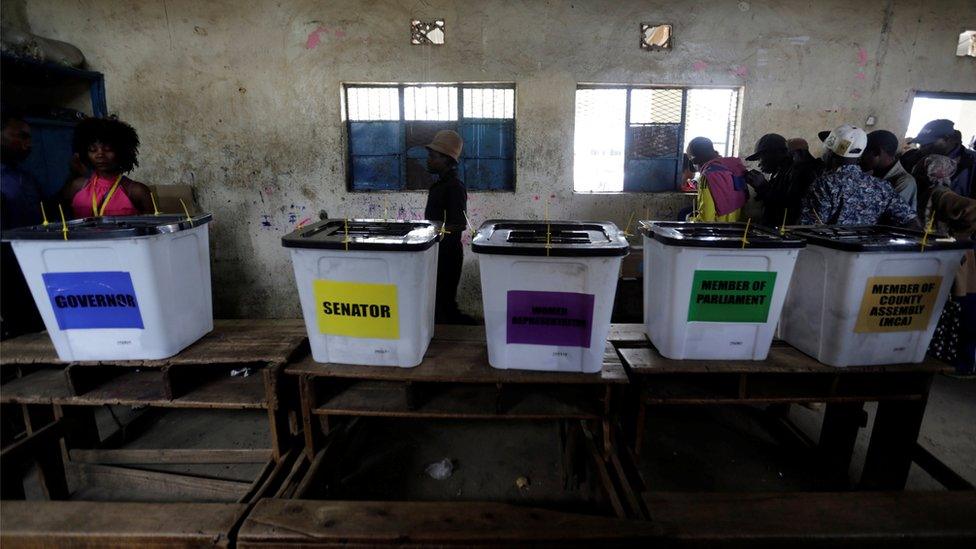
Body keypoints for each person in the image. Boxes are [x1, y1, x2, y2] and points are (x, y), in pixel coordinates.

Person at [799, 124, 918, 227]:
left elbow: (808, 227)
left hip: (827, 252)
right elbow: (912, 221)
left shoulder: (825, 184)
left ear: (830, 153)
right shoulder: (882, 187)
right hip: (865, 252)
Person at [0, 110, 44, 339]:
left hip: (30, 265)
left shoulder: (23, 177)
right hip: (7, 270)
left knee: (35, 327)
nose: (29, 144)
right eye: (21, 136)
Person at [423, 130, 472, 324]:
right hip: (439, 251)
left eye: (432, 156)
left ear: (445, 159)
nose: (428, 160)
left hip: (448, 254)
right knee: (440, 303)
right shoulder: (441, 185)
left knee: (444, 305)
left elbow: (459, 224)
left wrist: (433, 232)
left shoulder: (454, 187)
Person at [60, 117, 153, 218]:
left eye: (108, 149)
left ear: (121, 152)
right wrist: (74, 172)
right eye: (92, 150)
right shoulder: (77, 186)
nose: (100, 155)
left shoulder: (137, 191)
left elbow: (153, 228)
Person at [744, 133, 823, 227]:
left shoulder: (800, 173)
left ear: (776, 154)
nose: (759, 164)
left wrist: (763, 186)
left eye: (762, 157)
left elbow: (789, 206)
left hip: (788, 233)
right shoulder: (780, 172)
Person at [686, 137, 748, 222]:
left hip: (717, 230)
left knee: (684, 215)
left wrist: (690, 220)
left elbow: (706, 220)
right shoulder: (734, 168)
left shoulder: (707, 177)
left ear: (695, 161)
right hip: (737, 227)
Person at [910, 119, 976, 198]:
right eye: (921, 144)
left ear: (947, 139)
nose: (922, 149)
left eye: (929, 144)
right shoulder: (914, 157)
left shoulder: (971, 162)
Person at [860, 130, 917, 211]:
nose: (862, 158)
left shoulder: (905, 182)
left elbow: (891, 214)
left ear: (876, 152)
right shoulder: (871, 173)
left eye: (864, 153)